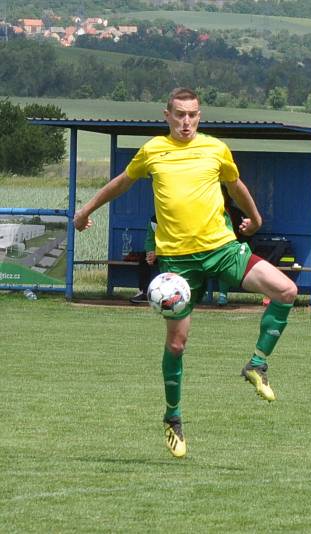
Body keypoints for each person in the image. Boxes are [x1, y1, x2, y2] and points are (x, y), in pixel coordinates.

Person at [74, 87, 298, 458]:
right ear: (167, 115)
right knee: (177, 345)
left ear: (199, 115)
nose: (186, 121)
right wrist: (86, 210)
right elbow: (123, 182)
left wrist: (255, 219)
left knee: (286, 290)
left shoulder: (215, 149)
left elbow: (235, 184)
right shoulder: (152, 151)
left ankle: (257, 363)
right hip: (177, 264)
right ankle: (173, 418)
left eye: (192, 114)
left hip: (222, 250)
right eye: (179, 114)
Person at [129, 215, 158, 304]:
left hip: (175, 250)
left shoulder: (177, 217)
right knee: (143, 258)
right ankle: (144, 292)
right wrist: (150, 252)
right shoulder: (154, 220)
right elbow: (150, 239)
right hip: (159, 250)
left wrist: (157, 252)